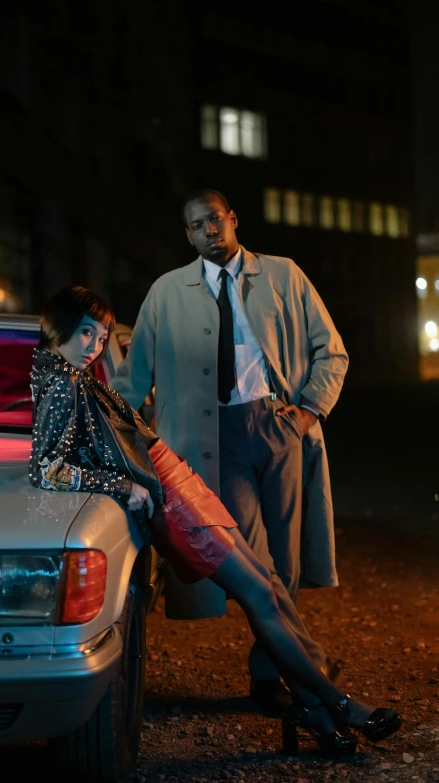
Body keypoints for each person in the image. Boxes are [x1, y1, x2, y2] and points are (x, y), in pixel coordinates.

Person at [29, 285, 402, 759]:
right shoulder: (60, 381)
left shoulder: (69, 374)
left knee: (265, 583)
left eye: (102, 337)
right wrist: (127, 488)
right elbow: (47, 467)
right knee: (259, 594)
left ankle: (314, 708)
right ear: (59, 327)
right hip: (171, 500)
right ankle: (337, 704)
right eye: (86, 333)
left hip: (177, 482)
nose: (95, 346)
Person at [111, 188, 348, 713]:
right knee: (254, 561)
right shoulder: (168, 292)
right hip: (212, 439)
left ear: (233, 219)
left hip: (277, 425)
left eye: (215, 221)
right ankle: (304, 664)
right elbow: (132, 381)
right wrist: (108, 434)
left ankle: (270, 673)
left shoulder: (283, 275)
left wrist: (308, 412)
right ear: (188, 234)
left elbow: (331, 351)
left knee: (285, 558)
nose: (208, 233)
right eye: (196, 227)